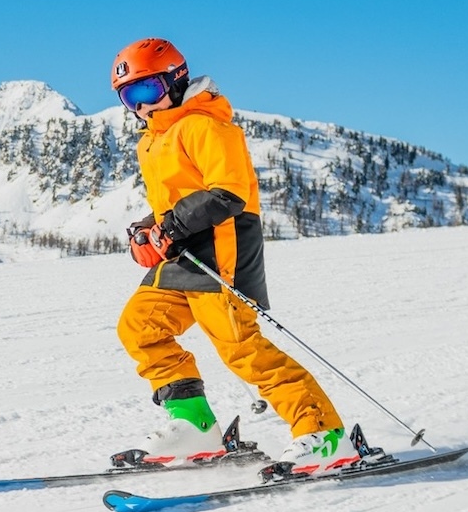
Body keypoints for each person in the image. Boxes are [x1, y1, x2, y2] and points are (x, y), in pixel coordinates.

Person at [107, 38, 358, 477]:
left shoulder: (205, 126)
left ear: (175, 79)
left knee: (242, 349)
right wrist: (148, 228)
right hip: (184, 253)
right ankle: (195, 426)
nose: (140, 107)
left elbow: (229, 192)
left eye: (147, 91)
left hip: (222, 250)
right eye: (130, 97)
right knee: (139, 326)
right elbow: (178, 199)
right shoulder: (153, 141)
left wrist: (170, 227)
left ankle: (325, 434)